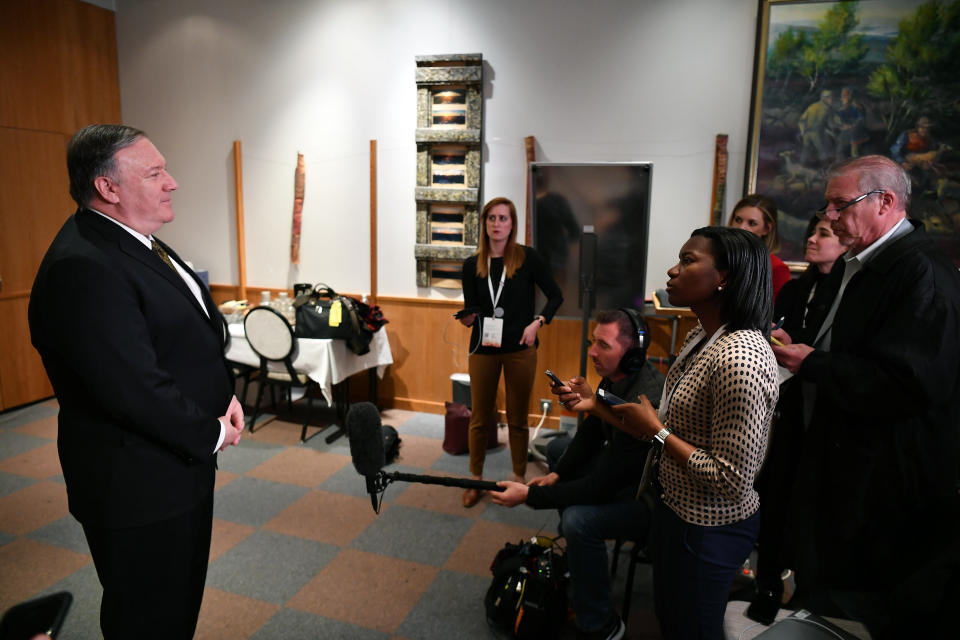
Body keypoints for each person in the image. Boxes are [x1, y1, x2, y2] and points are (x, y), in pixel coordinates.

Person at [28, 124, 244, 639]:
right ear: (108, 188)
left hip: (175, 464)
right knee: (147, 618)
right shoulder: (83, 265)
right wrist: (211, 432)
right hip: (136, 483)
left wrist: (225, 396)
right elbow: (133, 388)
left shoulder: (138, 241)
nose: (172, 182)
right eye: (155, 172)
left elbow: (186, 336)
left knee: (177, 606)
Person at [557, 227, 779, 639]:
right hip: (673, 511)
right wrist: (596, 406)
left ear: (725, 277)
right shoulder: (702, 335)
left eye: (689, 261)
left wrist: (658, 432)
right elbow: (660, 425)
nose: (673, 271)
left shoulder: (741, 358)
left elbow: (730, 480)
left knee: (692, 630)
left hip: (710, 528)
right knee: (672, 620)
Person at [770, 155, 960, 637]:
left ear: (886, 202)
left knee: (863, 611)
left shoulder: (921, 274)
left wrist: (812, 363)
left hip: (888, 485)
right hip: (845, 467)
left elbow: (909, 383)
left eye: (840, 205)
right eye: (828, 205)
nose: (829, 217)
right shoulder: (862, 263)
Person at [490, 308, 665, 640]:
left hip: (648, 503)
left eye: (603, 345)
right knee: (559, 452)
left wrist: (530, 495)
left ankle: (601, 625)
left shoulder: (647, 399)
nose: (592, 352)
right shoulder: (615, 377)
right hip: (619, 475)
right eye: (592, 342)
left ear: (633, 355)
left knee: (576, 520)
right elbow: (590, 434)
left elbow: (600, 485)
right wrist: (556, 477)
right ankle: (580, 560)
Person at [746, 214, 847, 624]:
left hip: (826, 414)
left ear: (844, 244)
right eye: (811, 231)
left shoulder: (848, 291)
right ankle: (767, 585)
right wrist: (778, 338)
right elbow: (776, 329)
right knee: (774, 495)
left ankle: (807, 594)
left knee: (813, 505)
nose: (811, 238)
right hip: (786, 407)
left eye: (823, 233)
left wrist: (802, 350)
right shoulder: (796, 287)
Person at [459, 196, 563, 507]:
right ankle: (474, 479)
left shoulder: (527, 258)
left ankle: (518, 479)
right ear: (484, 224)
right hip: (483, 348)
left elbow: (555, 296)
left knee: (518, 417)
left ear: (512, 224)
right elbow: (471, 309)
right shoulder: (471, 265)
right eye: (491, 218)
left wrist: (538, 322)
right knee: (480, 416)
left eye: (503, 218)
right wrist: (467, 318)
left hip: (520, 349)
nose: (497, 224)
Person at [728, 194, 791, 300]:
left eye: (752, 223)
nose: (742, 228)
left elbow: (775, 313)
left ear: (767, 229)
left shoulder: (776, 268)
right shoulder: (722, 259)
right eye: (738, 220)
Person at [798, 89, 835, 167]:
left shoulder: (812, 106)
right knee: (823, 150)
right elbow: (831, 124)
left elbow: (801, 120)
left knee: (806, 151)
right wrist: (839, 127)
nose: (831, 100)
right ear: (824, 98)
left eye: (831, 98)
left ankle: (801, 167)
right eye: (830, 98)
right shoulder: (828, 109)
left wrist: (802, 131)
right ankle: (825, 170)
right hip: (817, 133)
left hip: (806, 134)